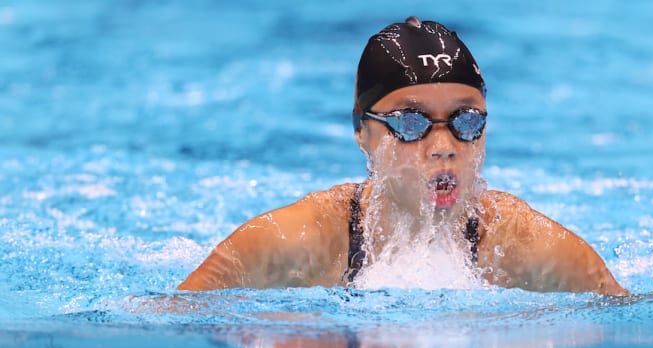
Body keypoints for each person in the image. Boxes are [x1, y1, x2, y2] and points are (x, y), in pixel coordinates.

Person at [178, 17, 628, 295]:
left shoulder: (522, 244)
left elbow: (630, 316)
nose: (444, 146)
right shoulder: (297, 240)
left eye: (466, 120)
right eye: (411, 123)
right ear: (362, 133)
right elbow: (170, 317)